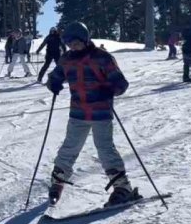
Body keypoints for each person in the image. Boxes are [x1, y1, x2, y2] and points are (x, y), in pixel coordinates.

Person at [46, 21, 137, 209]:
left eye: (76, 42)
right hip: (78, 112)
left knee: (105, 149)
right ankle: (58, 181)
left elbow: (121, 84)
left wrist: (109, 90)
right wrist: (53, 83)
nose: (73, 46)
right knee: (69, 148)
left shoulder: (102, 58)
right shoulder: (67, 59)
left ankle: (122, 187)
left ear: (85, 39)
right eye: (69, 42)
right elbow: (55, 76)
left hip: (101, 112)